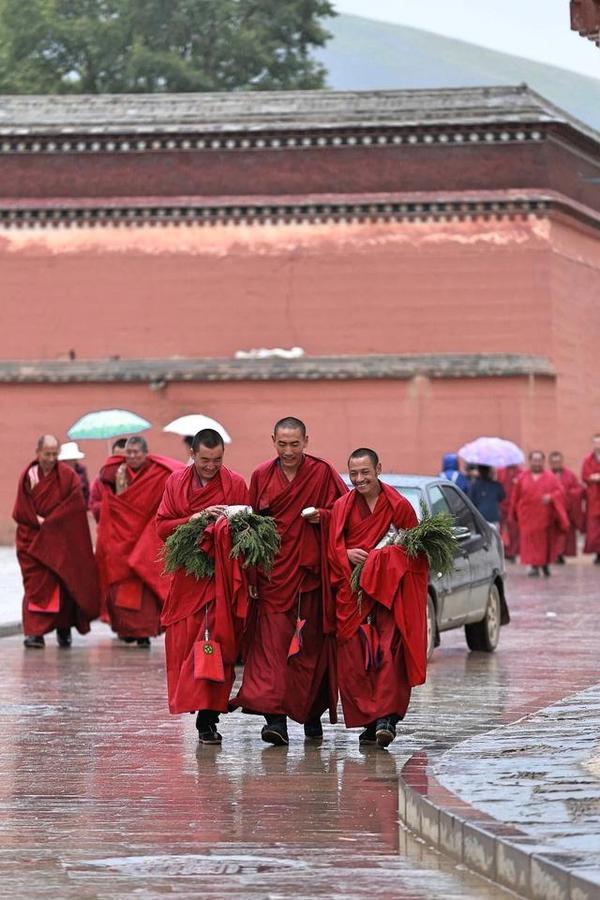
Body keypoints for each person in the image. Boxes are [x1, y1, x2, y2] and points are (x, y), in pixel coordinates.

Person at [233, 416, 347, 746]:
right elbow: (251, 528)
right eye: (282, 445)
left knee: (307, 652)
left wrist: (322, 517)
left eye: (294, 444)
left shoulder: (323, 473)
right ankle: (275, 721)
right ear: (273, 441)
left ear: (306, 441)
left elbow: (344, 514)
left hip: (309, 580)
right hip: (272, 577)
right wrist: (252, 572)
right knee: (271, 653)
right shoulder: (261, 475)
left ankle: (311, 715)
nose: (288, 451)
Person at [327, 449, 428, 748]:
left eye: (365, 473)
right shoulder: (342, 507)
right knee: (356, 661)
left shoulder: (399, 506)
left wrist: (381, 560)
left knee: (389, 656)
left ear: (378, 469)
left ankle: (387, 719)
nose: (359, 480)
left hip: (389, 598)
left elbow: (416, 556)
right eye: (354, 474)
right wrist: (344, 554)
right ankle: (370, 722)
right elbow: (330, 550)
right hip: (353, 595)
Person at [156, 429, 250, 744]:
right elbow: (163, 527)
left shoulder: (235, 483)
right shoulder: (176, 483)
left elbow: (247, 527)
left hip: (222, 576)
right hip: (189, 576)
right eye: (205, 459)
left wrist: (226, 525)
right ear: (194, 454)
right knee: (187, 644)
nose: (211, 466)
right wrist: (197, 517)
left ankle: (208, 718)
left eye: (218, 460)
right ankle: (194, 701)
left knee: (218, 643)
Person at [13, 434, 100, 648]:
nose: (51, 458)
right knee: (35, 586)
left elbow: (75, 506)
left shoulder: (68, 476)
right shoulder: (29, 474)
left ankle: (64, 628)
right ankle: (35, 632)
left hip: (60, 539)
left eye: (54, 454)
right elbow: (21, 508)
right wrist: (36, 520)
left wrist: (52, 523)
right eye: (47, 454)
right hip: (33, 539)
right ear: (38, 453)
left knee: (64, 583)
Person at [95, 435, 183, 646]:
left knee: (144, 583)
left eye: (136, 453)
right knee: (120, 580)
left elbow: (169, 495)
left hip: (146, 535)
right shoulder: (116, 472)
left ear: (145, 453)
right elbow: (104, 487)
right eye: (129, 453)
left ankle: (144, 633)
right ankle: (126, 630)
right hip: (121, 537)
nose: (132, 457)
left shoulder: (158, 472)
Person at [510, 451, 568, 577]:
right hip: (527, 517)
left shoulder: (551, 477)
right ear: (530, 461)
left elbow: (560, 492)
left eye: (539, 460)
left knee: (544, 543)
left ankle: (545, 564)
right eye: (534, 460)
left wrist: (551, 497)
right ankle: (533, 566)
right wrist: (514, 513)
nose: (536, 462)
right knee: (529, 543)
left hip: (544, 517)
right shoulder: (522, 478)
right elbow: (515, 497)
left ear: (543, 461)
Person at [548, 451, 585, 563]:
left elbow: (578, 489)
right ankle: (554, 554)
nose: (556, 464)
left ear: (562, 462)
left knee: (565, 535)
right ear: (550, 463)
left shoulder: (570, 475)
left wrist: (569, 494)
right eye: (554, 462)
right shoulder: (547, 475)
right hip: (551, 512)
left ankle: (561, 554)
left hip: (567, 510)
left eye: (558, 461)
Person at [89, 438, 127, 522]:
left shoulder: (140, 478)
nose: (120, 464)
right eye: (116, 459)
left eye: (124, 460)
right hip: (109, 529)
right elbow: (94, 508)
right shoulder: (101, 480)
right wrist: (112, 504)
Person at [582, 434, 600, 565]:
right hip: (594, 497)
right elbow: (585, 476)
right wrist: (593, 478)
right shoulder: (588, 459)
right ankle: (598, 553)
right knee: (595, 528)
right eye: (596, 443)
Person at [497, 465, 521, 561]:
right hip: (502, 504)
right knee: (500, 529)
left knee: (514, 530)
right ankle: (503, 551)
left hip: (515, 505)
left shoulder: (520, 473)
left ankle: (512, 552)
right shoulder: (500, 471)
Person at [58, 441, 90, 507]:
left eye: (73, 459)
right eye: (69, 459)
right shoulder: (57, 472)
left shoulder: (81, 471)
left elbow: (86, 492)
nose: (72, 461)